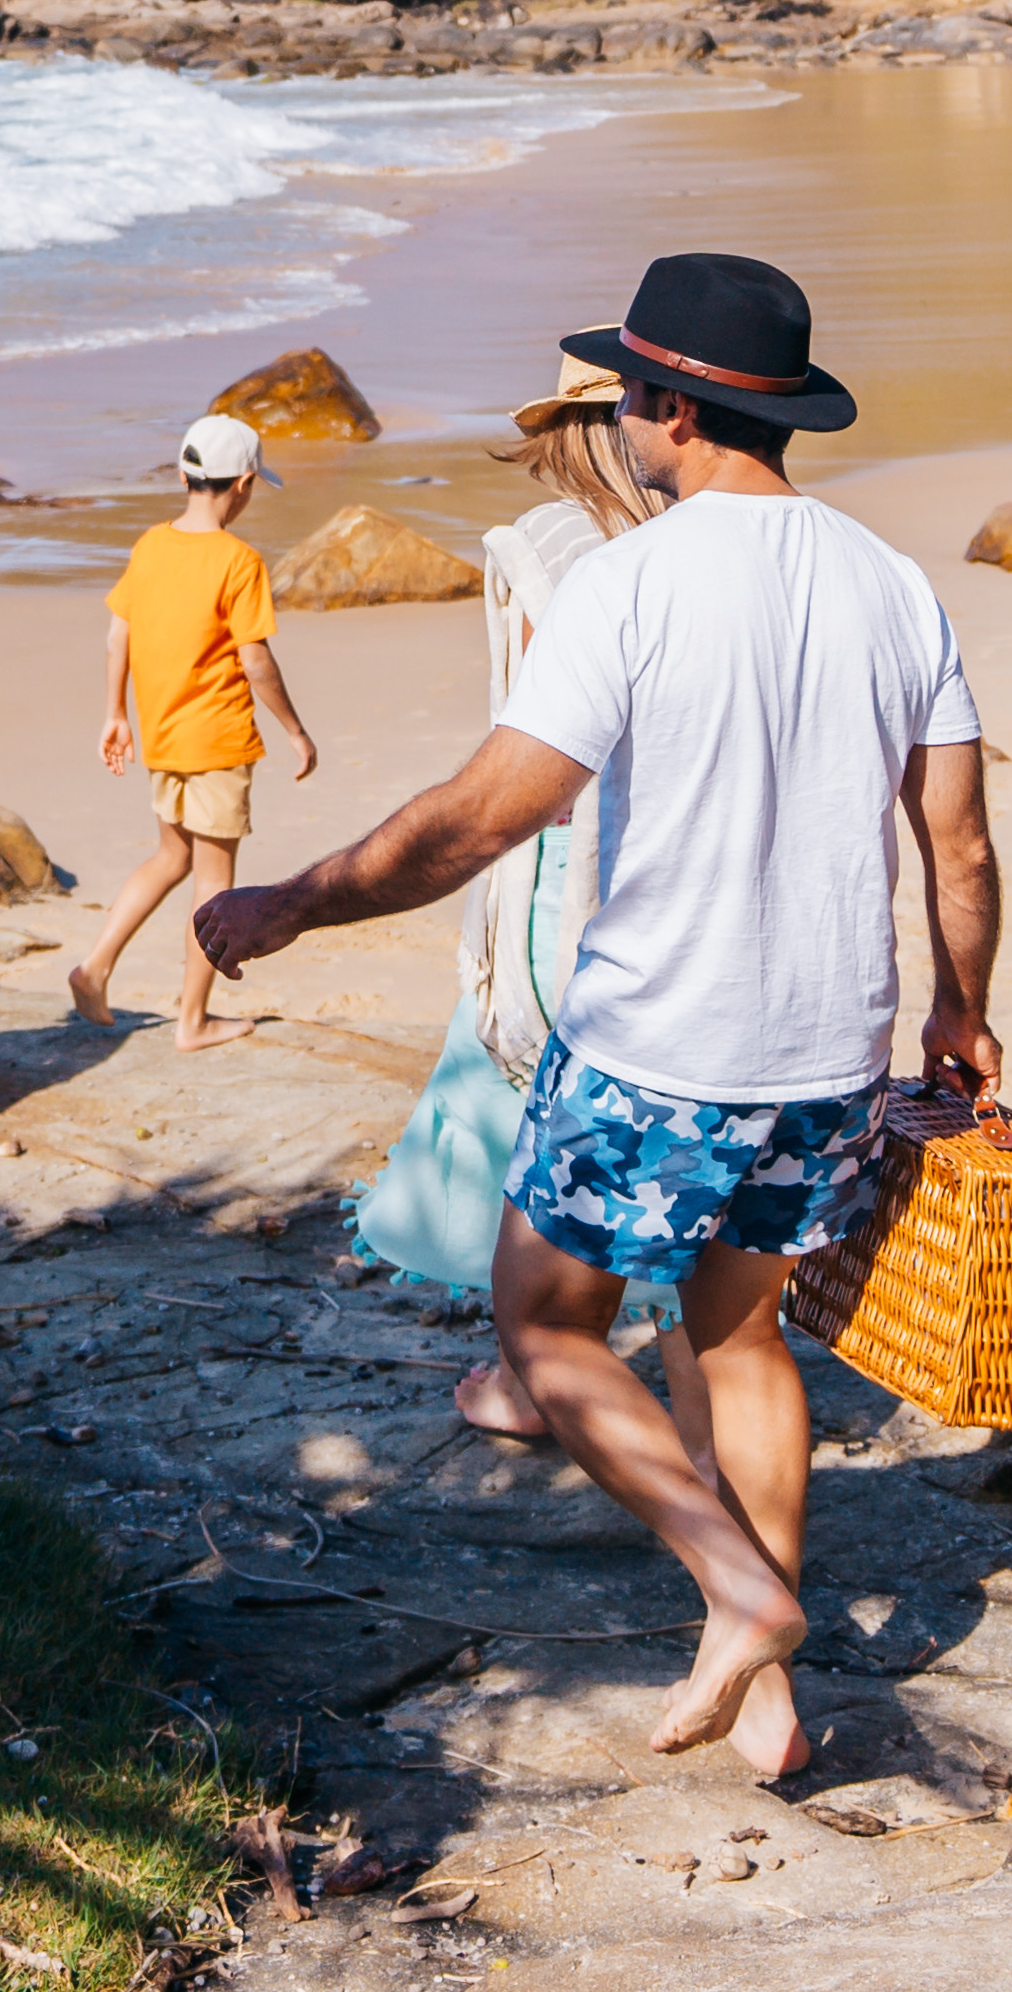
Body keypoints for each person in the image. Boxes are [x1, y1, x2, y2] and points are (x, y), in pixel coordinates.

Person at [199, 254, 996, 1781]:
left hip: (655, 1048)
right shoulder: (893, 581)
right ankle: (764, 1697)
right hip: (829, 1050)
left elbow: (484, 816)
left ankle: (739, 1583)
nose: (623, 418)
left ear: (667, 409)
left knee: (545, 1326)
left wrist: (294, 898)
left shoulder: (629, 580)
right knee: (743, 1335)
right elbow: (955, 840)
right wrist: (960, 1009)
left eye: (629, 391)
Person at [348, 363, 667, 1440]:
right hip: (668, 867)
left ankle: (532, 1375)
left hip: (556, 862)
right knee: (667, 1153)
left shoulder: (554, 546)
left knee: (532, 1107)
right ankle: (651, 1394)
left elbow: (534, 748)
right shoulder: (690, 544)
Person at [65, 410, 316, 1045]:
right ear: (246, 483)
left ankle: (93, 970)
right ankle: (192, 1020)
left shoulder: (151, 544)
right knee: (213, 882)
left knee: (169, 855)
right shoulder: (239, 561)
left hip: (165, 736)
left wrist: (115, 714)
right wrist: (294, 729)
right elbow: (256, 660)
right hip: (218, 740)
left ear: (184, 474)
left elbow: (116, 632)